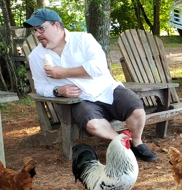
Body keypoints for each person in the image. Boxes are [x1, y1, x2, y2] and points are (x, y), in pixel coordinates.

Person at [23, 8, 157, 162]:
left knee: (137, 109)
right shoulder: (36, 57)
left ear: (57, 26)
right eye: (35, 30)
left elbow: (99, 68)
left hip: (107, 89)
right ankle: (123, 144)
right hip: (80, 100)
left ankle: (137, 142)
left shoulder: (83, 40)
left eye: (41, 28)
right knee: (93, 125)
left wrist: (64, 73)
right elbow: (40, 86)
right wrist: (57, 90)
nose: (38, 34)